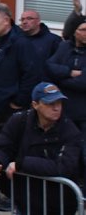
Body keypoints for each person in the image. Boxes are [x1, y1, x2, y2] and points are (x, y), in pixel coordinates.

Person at [0, 3, 39, 209]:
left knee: (14, 150)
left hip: (12, 108)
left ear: (7, 20)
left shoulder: (20, 43)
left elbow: (31, 74)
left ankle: (13, 193)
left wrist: (18, 101)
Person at [0, 82, 82, 215]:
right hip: (26, 200)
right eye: (50, 104)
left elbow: (64, 167)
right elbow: (3, 146)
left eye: (59, 103)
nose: (56, 108)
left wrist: (21, 163)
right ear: (35, 105)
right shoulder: (19, 121)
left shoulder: (70, 130)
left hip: (59, 203)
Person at [46, 20, 86, 168]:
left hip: (83, 114)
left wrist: (61, 80)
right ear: (75, 32)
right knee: (64, 154)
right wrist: (69, 72)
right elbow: (50, 67)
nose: (85, 33)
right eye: (83, 29)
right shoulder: (64, 47)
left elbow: (83, 83)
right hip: (64, 111)